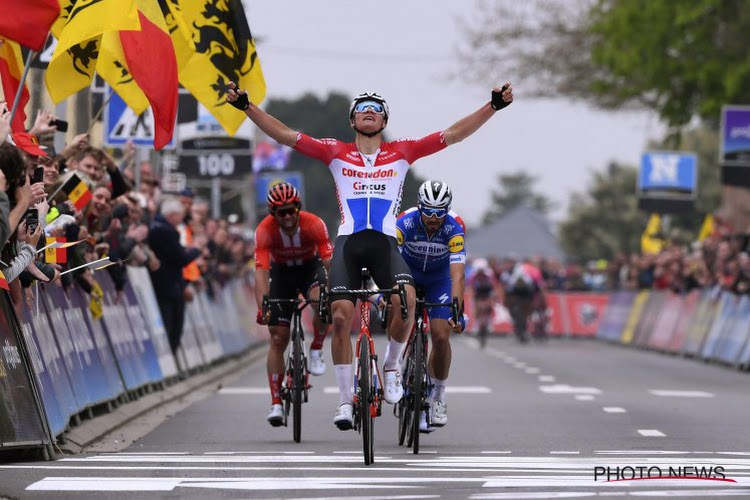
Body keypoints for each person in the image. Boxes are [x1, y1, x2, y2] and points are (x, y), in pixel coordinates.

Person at [227, 79, 513, 430]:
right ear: (352, 121)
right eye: (361, 108)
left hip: (383, 244)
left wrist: (493, 107)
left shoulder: (403, 152)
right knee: (341, 316)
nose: (369, 112)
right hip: (348, 242)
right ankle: (345, 402)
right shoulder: (334, 151)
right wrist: (246, 106)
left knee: (405, 300)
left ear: (384, 121)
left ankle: (392, 367)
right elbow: (287, 136)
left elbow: (452, 134)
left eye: (376, 109)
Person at [254, 182, 333, 426]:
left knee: (323, 301)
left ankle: (317, 347)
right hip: (281, 274)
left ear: (298, 208)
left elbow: (329, 262)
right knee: (278, 337)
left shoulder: (314, 224)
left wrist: (335, 290)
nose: (288, 217)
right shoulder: (264, 230)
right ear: (272, 214)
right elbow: (261, 273)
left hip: (310, 269)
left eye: (291, 211)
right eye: (281, 212)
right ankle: (276, 402)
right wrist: (263, 307)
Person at [395, 180, 466, 432]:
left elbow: (457, 275)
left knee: (440, 334)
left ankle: (438, 394)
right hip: (409, 274)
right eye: (429, 211)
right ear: (419, 206)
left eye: (440, 212)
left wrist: (457, 311)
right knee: (400, 311)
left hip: (440, 280)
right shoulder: (404, 222)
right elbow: (391, 262)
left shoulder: (455, 227)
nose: (434, 218)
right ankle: (393, 365)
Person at [501, 256, 546, 343]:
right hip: (518, 295)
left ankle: (523, 328)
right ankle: (520, 327)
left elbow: (535, 288)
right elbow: (508, 290)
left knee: (525, 313)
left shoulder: (528, 275)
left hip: (526, 295)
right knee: (517, 312)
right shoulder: (514, 277)